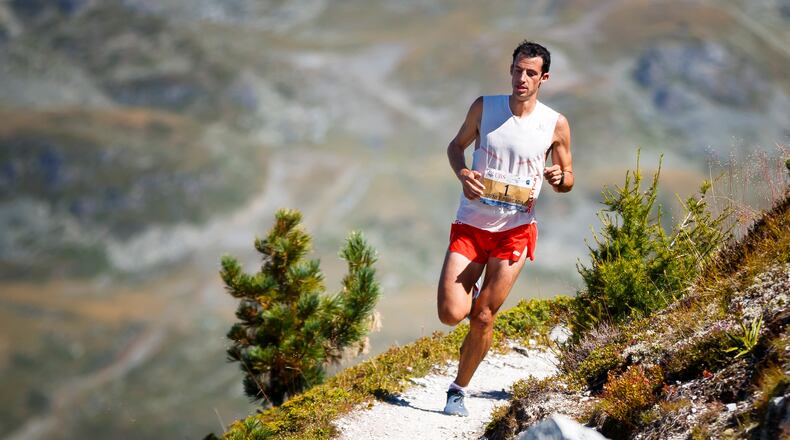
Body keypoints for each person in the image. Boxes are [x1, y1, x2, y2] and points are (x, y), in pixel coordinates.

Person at [437, 40, 573, 417]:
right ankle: (474, 296)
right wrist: (462, 171)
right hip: (471, 225)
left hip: (514, 230)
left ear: (544, 78)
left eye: (531, 73)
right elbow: (455, 146)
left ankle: (457, 391)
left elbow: (568, 179)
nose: (522, 78)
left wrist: (559, 177)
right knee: (450, 313)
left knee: (483, 316)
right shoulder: (485, 107)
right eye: (517, 70)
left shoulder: (555, 123)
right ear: (510, 69)